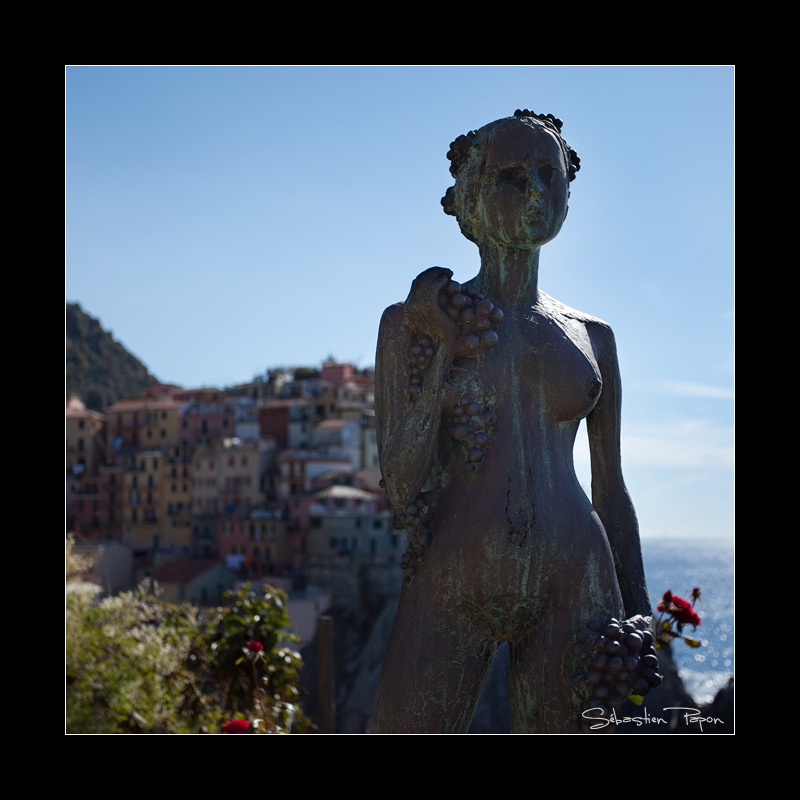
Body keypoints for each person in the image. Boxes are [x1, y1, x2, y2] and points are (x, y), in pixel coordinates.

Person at [369, 110, 656, 734]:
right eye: (512, 177)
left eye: (550, 176)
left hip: (575, 582)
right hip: (451, 580)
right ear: (470, 196)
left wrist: (639, 610)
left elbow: (611, 489)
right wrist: (441, 346)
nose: (536, 193)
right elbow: (401, 481)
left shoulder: (594, 338)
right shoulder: (413, 323)